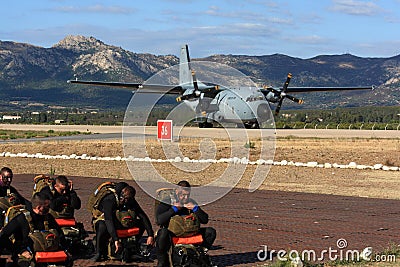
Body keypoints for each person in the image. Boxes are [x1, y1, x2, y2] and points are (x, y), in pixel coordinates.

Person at [155, 180, 217, 267]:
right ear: (176, 192)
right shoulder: (167, 202)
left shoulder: (190, 202)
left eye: (187, 195)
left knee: (210, 232)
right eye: (182, 195)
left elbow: (205, 220)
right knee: (162, 233)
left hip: (189, 233)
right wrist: (174, 209)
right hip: (173, 234)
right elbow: (159, 220)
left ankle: (199, 255)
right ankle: (163, 261)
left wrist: (195, 209)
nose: (185, 198)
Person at [91, 182, 155, 262]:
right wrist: (116, 239)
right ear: (120, 196)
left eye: (127, 200)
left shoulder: (129, 199)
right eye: (123, 200)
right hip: (105, 220)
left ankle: (132, 247)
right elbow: (108, 220)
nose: (124, 202)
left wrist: (150, 234)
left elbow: (142, 216)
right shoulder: (109, 200)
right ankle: (98, 252)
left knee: (141, 224)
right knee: (102, 226)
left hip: (120, 220)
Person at [0, 192, 66, 267]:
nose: (49, 209)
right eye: (47, 207)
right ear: (38, 207)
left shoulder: (48, 217)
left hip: (47, 251)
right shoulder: (21, 219)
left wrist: (65, 249)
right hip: (28, 255)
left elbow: (60, 233)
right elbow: (3, 236)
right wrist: (20, 251)